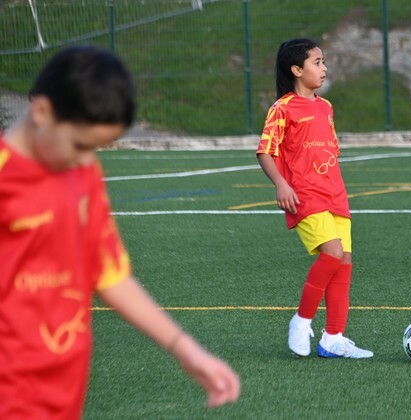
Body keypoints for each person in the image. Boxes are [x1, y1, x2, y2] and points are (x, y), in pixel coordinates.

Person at [0, 46, 240, 418]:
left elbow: (110, 274)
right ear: (42, 111)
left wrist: (186, 349)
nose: (86, 159)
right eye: (80, 145)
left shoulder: (83, 173)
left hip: (64, 384)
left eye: (95, 148)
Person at [256, 38, 373, 359]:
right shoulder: (282, 108)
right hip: (305, 195)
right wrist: (281, 184)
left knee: (344, 262)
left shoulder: (325, 107)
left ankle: (333, 338)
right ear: (297, 70)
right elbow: (265, 151)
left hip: (335, 193)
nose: (324, 68)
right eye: (317, 62)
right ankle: (301, 320)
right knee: (332, 254)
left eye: (323, 62)